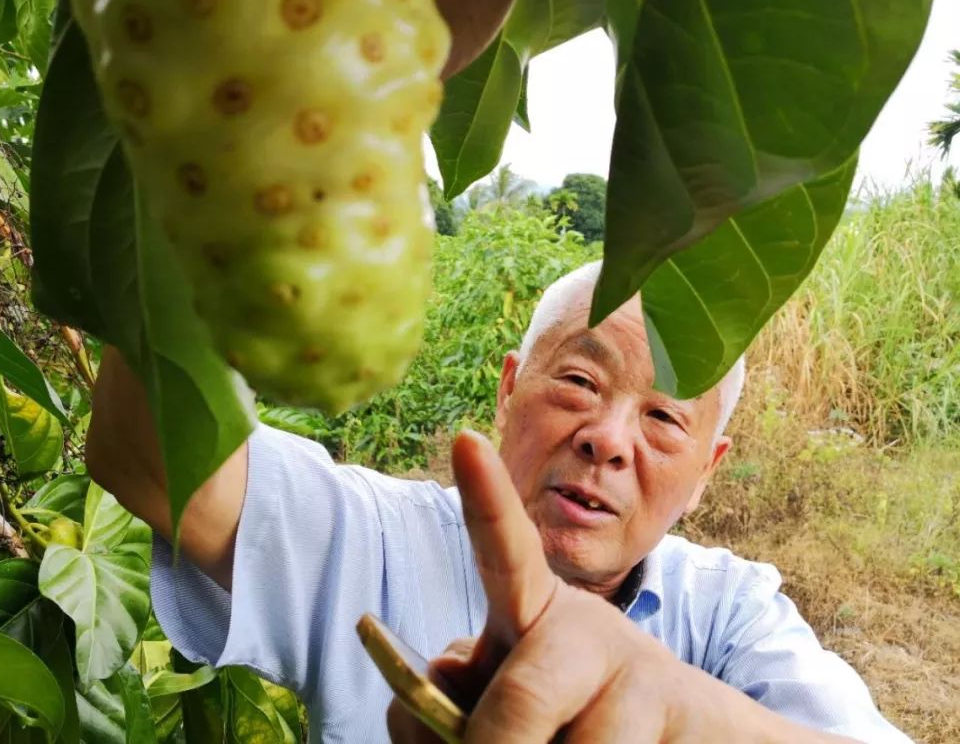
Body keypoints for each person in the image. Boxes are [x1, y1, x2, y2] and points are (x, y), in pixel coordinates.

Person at [86, 260, 910, 743]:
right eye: (580, 380)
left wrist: (675, 708)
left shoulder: (732, 613)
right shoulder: (375, 541)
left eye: (663, 418)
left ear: (706, 473)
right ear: (510, 392)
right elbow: (153, 458)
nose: (609, 439)